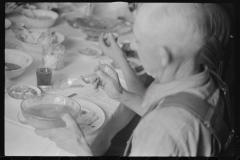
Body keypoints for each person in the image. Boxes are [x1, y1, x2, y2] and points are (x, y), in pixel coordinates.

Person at [34, 3, 227, 156]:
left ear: (163, 55)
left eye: (138, 40)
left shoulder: (160, 132)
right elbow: (168, 110)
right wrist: (122, 95)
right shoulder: (206, 80)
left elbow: (166, 122)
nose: (133, 46)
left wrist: (81, 149)